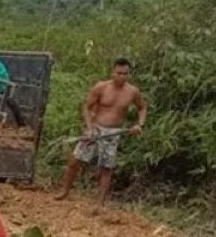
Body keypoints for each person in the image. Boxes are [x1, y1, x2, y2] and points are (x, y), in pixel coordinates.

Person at [57, 58, 148, 205]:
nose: (122, 77)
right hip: (96, 129)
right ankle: (64, 191)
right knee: (75, 161)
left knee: (107, 168)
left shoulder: (132, 92)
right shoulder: (101, 87)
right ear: (113, 72)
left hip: (114, 133)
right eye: (119, 73)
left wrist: (140, 125)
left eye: (125, 74)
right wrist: (89, 127)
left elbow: (142, 107)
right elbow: (86, 107)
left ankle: (100, 203)